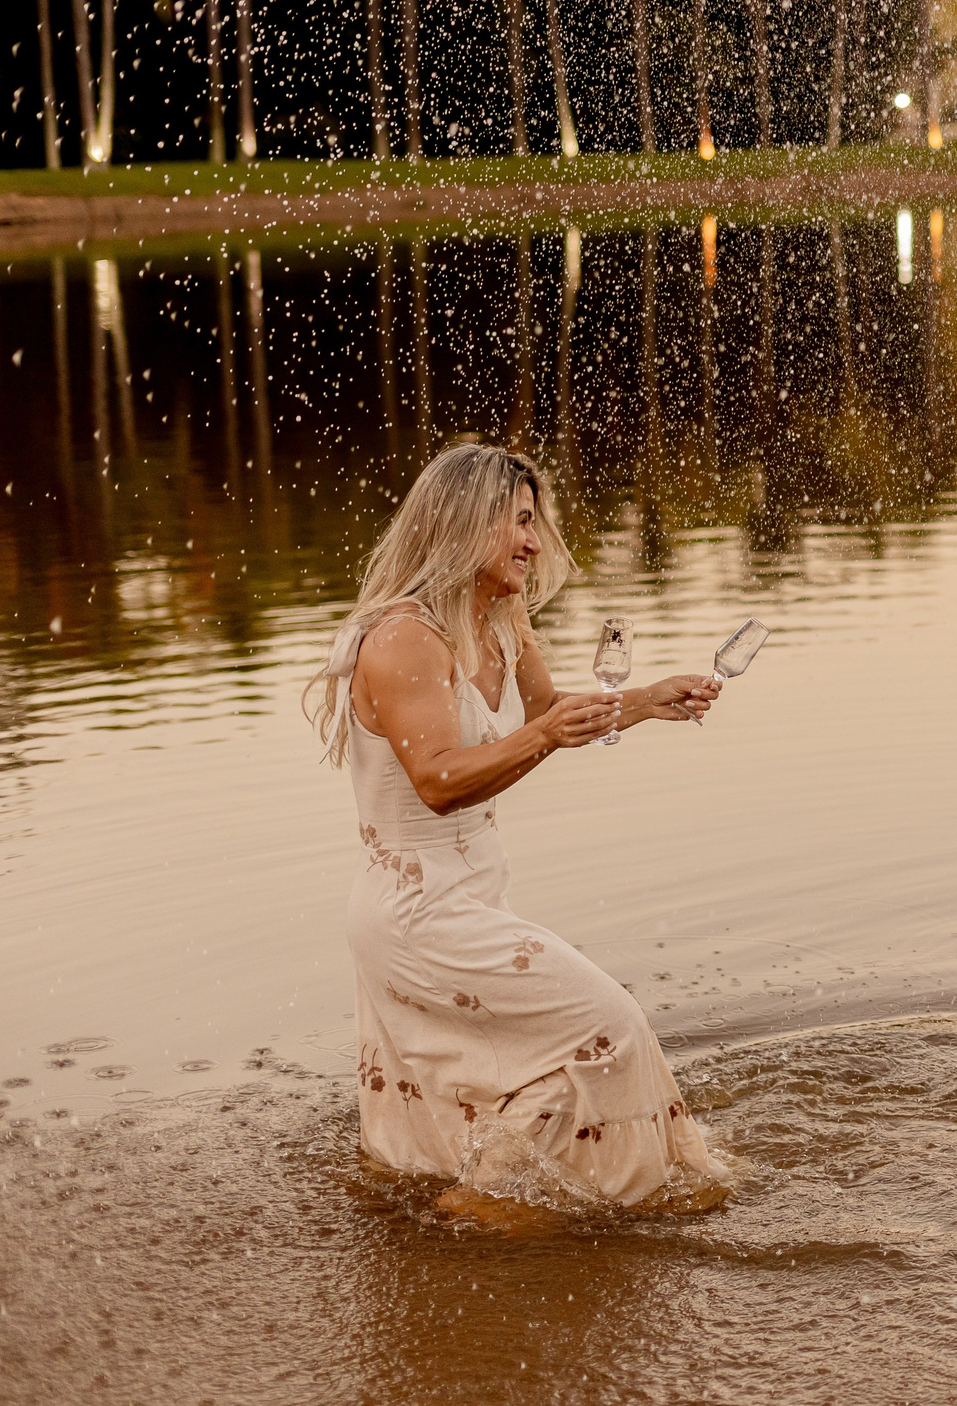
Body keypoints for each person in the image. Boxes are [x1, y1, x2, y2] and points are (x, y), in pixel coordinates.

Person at [306, 443, 726, 1217]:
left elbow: (544, 712)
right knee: (611, 1026)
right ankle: (502, 1205)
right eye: (522, 522)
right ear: (467, 525)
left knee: (513, 1069)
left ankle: (463, 1216)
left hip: (472, 893)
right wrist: (548, 737)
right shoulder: (405, 639)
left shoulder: (499, 618)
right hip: (415, 911)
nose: (535, 542)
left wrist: (649, 700)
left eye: (537, 523)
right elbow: (438, 780)